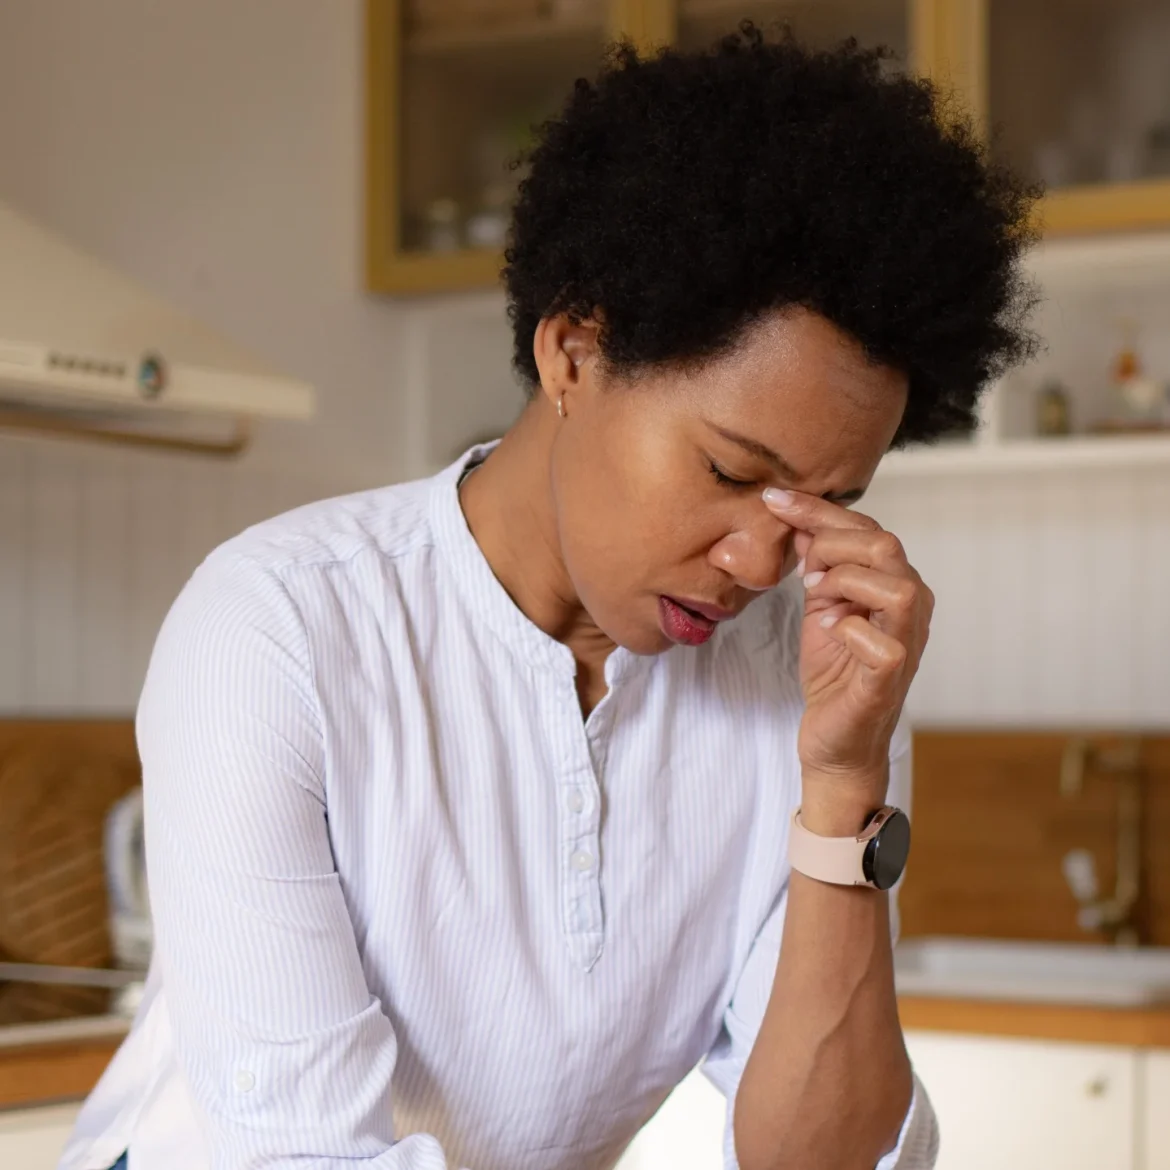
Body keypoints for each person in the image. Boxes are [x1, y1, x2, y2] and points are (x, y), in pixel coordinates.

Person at [60, 24, 1036, 1170]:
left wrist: (841, 790)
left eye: (819, 505)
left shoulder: (813, 682)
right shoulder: (278, 627)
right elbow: (299, 1158)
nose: (761, 565)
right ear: (574, 351)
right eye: (730, 472)